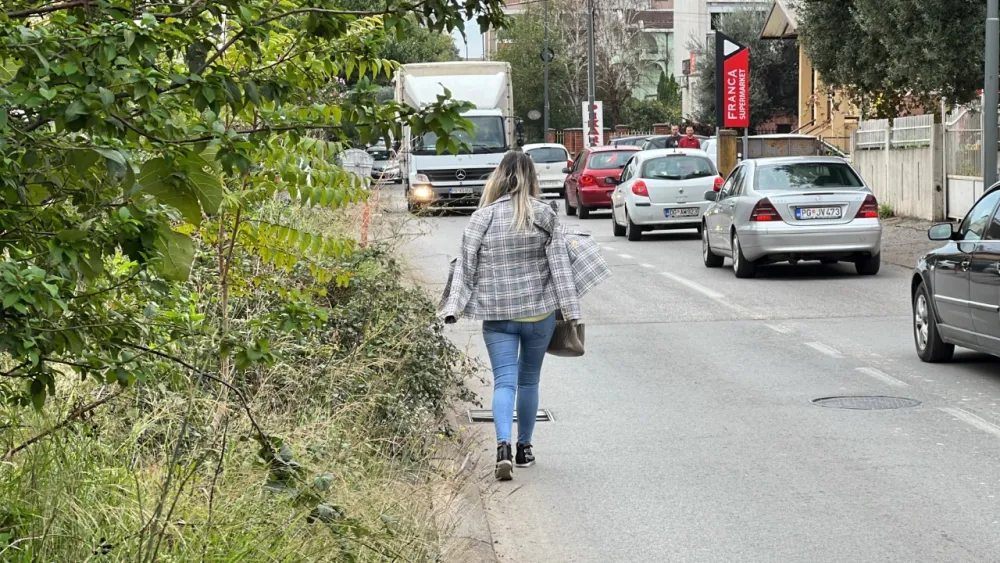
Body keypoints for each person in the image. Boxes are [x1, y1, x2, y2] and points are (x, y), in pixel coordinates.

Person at [439, 151, 582, 481]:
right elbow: (560, 267)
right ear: (532, 178)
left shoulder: (482, 218)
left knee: (504, 382)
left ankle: (502, 446)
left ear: (498, 177)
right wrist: (572, 312)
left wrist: (453, 308)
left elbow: (465, 266)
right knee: (529, 380)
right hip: (538, 315)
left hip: (498, 316)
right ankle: (524, 448)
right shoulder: (543, 214)